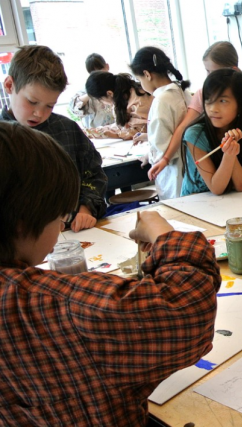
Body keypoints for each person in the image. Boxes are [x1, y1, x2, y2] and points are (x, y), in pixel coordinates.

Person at [0, 121, 220, 426]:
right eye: (60, 217)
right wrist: (163, 233)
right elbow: (187, 309)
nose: (62, 227)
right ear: (23, 222)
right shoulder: (53, 307)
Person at [1, 45, 107, 232]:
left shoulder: (67, 130)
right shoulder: (4, 139)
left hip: (74, 234)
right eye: (32, 102)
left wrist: (86, 208)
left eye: (50, 105)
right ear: (10, 85)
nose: (39, 113)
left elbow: (93, 174)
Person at [171, 41, 242, 174]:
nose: (208, 77)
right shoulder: (202, 93)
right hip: (213, 166)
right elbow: (184, 126)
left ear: (232, 71)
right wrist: (165, 158)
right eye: (207, 71)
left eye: (213, 71)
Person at [180, 68, 242, 196]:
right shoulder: (195, 134)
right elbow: (216, 188)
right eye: (208, 100)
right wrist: (228, 154)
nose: (213, 109)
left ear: (240, 104)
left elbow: (241, 185)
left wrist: (231, 152)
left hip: (230, 200)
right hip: (195, 202)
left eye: (222, 101)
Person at [130, 46, 191, 199]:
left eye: (139, 80)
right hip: (190, 167)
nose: (141, 84)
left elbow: (161, 146)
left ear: (147, 74)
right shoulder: (182, 91)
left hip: (174, 171)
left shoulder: (162, 100)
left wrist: (150, 155)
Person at [84, 71, 152, 140]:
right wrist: (102, 130)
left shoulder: (138, 100)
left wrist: (113, 135)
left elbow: (143, 131)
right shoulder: (120, 98)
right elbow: (123, 126)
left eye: (100, 100)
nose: (101, 103)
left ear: (109, 93)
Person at [69, 53, 115, 129]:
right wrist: (91, 93)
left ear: (107, 66)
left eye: (100, 70)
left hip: (118, 131)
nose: (97, 74)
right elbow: (74, 109)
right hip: (97, 133)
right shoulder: (87, 89)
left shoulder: (117, 83)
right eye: (93, 72)